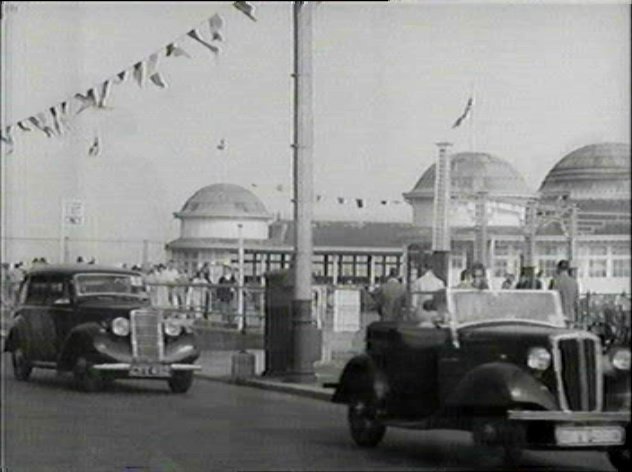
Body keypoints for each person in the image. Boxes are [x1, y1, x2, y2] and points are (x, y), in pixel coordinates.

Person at [549, 260, 579, 324]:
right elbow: (576, 302)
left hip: (558, 317)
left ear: (558, 268)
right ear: (568, 269)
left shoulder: (554, 282)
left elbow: (550, 301)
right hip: (571, 316)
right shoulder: (574, 282)